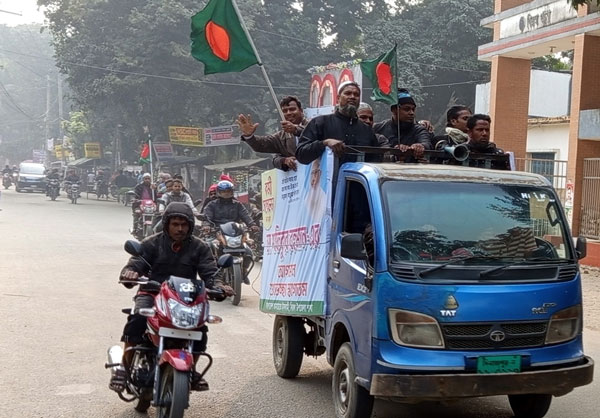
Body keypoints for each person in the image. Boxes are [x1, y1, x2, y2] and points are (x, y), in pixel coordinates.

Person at [112, 202, 233, 392]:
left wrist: (219, 286)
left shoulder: (199, 247)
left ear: (191, 226)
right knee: (137, 319)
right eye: (175, 224)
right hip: (152, 293)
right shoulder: (152, 243)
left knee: (200, 330)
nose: (180, 229)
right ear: (167, 224)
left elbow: (211, 273)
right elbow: (135, 264)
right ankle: (124, 368)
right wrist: (130, 273)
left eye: (184, 225)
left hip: (185, 298)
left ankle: (191, 369)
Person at [296, 81, 382, 165]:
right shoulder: (320, 123)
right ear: (338, 98)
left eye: (356, 95)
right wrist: (324, 143)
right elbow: (301, 155)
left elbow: (375, 161)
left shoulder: (367, 130)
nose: (352, 97)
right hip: (328, 178)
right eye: (348, 93)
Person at [237, 96, 309, 172]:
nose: (288, 113)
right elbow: (262, 145)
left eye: (292, 109)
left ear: (301, 111)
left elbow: (314, 132)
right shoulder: (281, 136)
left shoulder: (314, 124)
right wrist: (249, 136)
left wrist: (295, 129)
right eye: (284, 111)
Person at [373, 88, 432, 159]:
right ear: (394, 110)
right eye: (406, 109)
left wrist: (419, 146)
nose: (411, 113)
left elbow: (426, 143)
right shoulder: (379, 128)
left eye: (413, 109)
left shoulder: (419, 129)